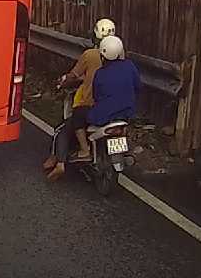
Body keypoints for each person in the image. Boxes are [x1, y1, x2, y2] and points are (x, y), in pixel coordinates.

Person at [47, 34, 139, 182]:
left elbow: (96, 95)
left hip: (104, 114)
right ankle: (124, 150)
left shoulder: (100, 72)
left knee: (78, 115)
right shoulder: (130, 66)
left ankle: (84, 150)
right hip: (127, 113)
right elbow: (138, 86)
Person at [42, 18, 115, 174]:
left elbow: (73, 75)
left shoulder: (90, 55)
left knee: (66, 126)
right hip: (114, 106)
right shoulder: (120, 57)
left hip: (91, 105)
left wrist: (63, 81)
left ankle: (70, 155)